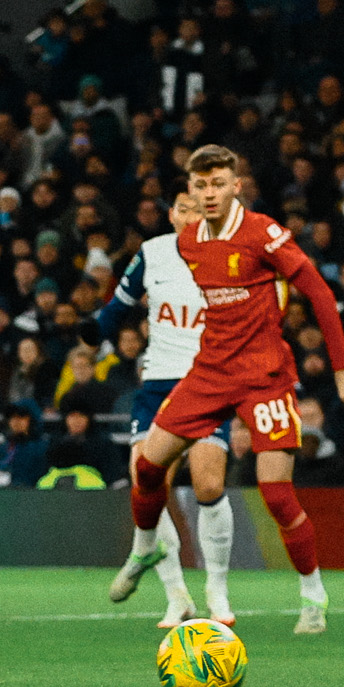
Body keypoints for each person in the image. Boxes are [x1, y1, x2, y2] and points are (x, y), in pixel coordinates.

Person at [115, 144, 344, 633]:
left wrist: (342, 368)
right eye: (201, 185)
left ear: (236, 186)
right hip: (209, 373)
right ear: (191, 190)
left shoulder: (264, 234)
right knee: (148, 465)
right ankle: (146, 548)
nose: (209, 193)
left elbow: (316, 289)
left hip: (265, 377)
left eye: (218, 184)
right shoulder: (189, 242)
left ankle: (312, 592)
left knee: (276, 493)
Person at [89, 191, 228, 626]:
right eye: (182, 210)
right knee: (147, 484)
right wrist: (93, 328)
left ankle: (217, 591)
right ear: (171, 215)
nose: (189, 217)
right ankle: (177, 596)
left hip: (207, 381)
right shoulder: (152, 253)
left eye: (197, 210)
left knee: (207, 484)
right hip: (158, 383)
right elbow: (119, 306)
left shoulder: (225, 256)